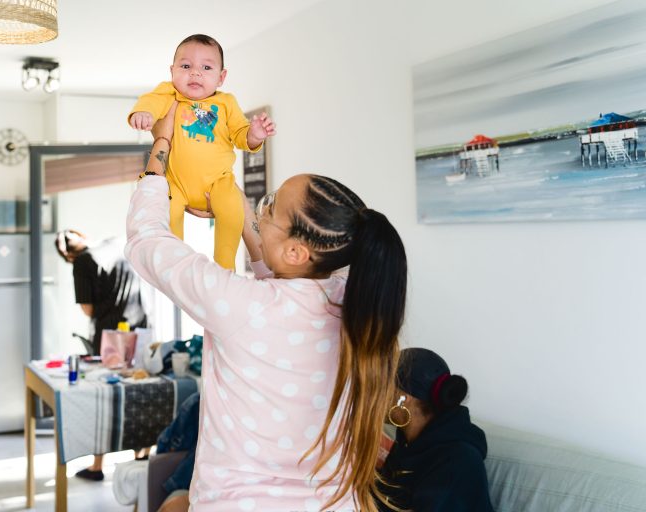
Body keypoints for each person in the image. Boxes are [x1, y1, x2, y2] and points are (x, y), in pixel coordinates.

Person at [124, 103, 408, 511]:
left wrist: (161, 149)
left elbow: (146, 240)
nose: (262, 208)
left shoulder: (242, 305)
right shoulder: (356, 301)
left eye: (270, 206)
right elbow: (281, 283)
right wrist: (226, 193)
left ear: (295, 251)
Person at [127, 33, 276, 271]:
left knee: (231, 211)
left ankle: (225, 265)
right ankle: (175, 262)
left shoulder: (226, 103)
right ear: (172, 71)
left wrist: (254, 134)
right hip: (177, 184)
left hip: (219, 183)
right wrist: (144, 113)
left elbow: (240, 133)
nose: (195, 73)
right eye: (186, 66)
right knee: (170, 211)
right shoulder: (169, 93)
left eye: (206, 67)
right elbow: (151, 101)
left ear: (221, 77)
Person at [55, 229, 152, 480]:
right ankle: (141, 456)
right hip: (140, 326)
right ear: (82, 236)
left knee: (105, 396)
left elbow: (87, 309)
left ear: (67, 255)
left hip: (111, 337)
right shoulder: (117, 241)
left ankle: (97, 466)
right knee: (140, 391)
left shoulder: (82, 262)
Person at [375, 348, 494, 512]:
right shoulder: (408, 442)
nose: (373, 398)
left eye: (381, 388)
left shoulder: (458, 462)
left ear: (402, 399)